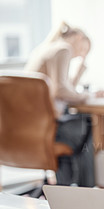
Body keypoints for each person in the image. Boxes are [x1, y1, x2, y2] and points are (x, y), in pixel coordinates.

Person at [25, 22, 95, 187]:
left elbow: (62, 88)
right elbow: (61, 91)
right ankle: (87, 189)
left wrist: (79, 71)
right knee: (88, 123)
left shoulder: (45, 48)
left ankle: (65, 185)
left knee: (75, 126)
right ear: (79, 38)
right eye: (84, 49)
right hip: (48, 127)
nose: (81, 55)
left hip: (29, 128)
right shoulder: (63, 49)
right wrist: (86, 96)